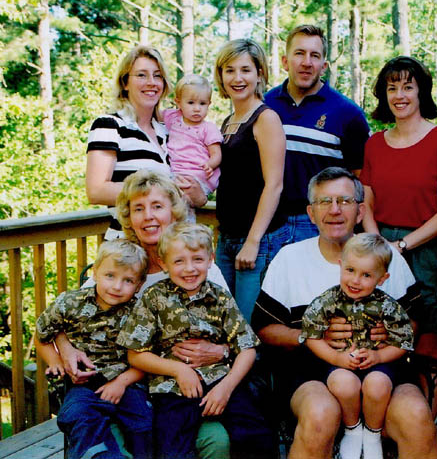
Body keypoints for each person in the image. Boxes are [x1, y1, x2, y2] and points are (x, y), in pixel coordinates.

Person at [252, 167, 437, 459]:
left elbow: (415, 320)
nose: (334, 210)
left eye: (344, 200)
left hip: (382, 370)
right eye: (324, 202)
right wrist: (312, 336)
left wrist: (389, 335)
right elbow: (264, 328)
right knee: (320, 414)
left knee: (415, 415)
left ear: (360, 211)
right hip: (311, 374)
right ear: (311, 213)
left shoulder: (389, 258)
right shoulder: (289, 259)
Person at [53, 170, 232, 458]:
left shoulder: (194, 266)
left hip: (180, 394)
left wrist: (221, 351)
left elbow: (234, 333)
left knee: (217, 441)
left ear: (173, 212)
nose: (148, 216)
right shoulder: (119, 265)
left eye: (157, 206)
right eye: (138, 208)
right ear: (129, 217)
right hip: (121, 390)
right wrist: (66, 347)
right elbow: (64, 316)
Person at [360, 56, 437, 415]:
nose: (400, 95)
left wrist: (403, 245)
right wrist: (379, 245)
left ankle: (426, 424)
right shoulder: (374, 144)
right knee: (378, 335)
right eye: (392, 88)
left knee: (427, 343)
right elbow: (366, 202)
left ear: (422, 92)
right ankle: (383, 422)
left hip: (427, 250)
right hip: (379, 248)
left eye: (408, 86)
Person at [117, 222, 276, 459]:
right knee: (171, 448)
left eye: (197, 259)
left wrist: (226, 388)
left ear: (211, 259)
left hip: (221, 381)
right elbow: (136, 354)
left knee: (257, 435)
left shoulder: (220, 297)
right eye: (179, 261)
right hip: (173, 389)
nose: (189, 269)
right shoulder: (154, 298)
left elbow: (247, 348)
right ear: (163, 263)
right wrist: (179, 370)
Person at [35, 239, 152, 459]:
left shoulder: (140, 313)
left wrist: (120, 383)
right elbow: (42, 335)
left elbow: (148, 357)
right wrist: (56, 362)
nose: (117, 286)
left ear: (139, 284)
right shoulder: (70, 303)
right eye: (110, 276)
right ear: (95, 272)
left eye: (128, 280)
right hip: (84, 384)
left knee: (143, 424)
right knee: (76, 415)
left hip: (128, 383)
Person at [301, 233, 414, 459]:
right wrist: (336, 358)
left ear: (382, 278)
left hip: (377, 363)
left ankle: (372, 434)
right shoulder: (328, 301)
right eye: (350, 270)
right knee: (344, 383)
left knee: (378, 384)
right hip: (339, 362)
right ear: (340, 265)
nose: (355, 280)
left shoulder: (387, 306)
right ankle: (352, 430)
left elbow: (404, 341)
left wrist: (379, 357)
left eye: (366, 275)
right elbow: (310, 336)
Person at [86, 45, 207, 239]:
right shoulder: (110, 125)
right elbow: (96, 190)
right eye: (141, 75)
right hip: (128, 245)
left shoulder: (168, 130)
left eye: (157, 76)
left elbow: (190, 184)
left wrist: (199, 195)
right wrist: (164, 192)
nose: (151, 82)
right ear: (125, 83)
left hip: (170, 246)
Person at [264, 24, 370, 244]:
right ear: (285, 62)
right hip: (269, 224)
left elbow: (362, 181)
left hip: (323, 225)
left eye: (314, 55)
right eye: (299, 53)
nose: (307, 62)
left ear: (324, 66)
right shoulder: (265, 105)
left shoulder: (347, 114)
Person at [213, 38, 288, 320]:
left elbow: (274, 185)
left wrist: (253, 241)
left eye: (245, 70)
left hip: (257, 240)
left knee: (247, 325)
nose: (237, 78)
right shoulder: (229, 121)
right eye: (230, 70)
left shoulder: (265, 118)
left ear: (259, 73)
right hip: (227, 238)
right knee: (224, 321)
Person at [163, 74, 223, 197]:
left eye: (202, 103)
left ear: (209, 104)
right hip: (175, 172)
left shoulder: (208, 128)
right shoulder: (173, 118)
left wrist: (210, 164)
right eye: (191, 103)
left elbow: (216, 154)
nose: (197, 108)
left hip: (198, 174)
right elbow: (151, 114)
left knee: (180, 196)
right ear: (178, 103)